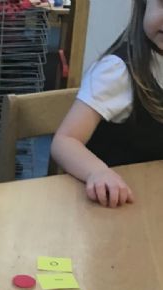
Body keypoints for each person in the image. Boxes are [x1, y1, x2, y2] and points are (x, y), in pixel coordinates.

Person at [51, 0, 163, 208]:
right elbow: (64, 141)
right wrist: (98, 172)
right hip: (109, 206)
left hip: (151, 199)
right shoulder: (117, 72)